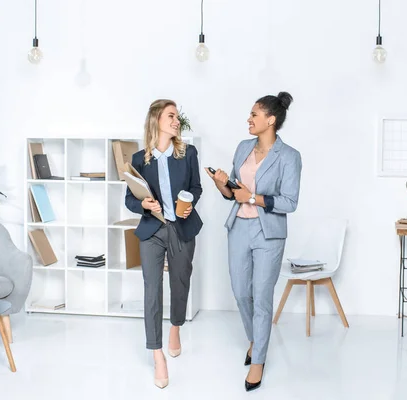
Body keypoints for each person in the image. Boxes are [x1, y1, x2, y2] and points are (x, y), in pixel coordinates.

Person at [206, 91, 302, 392]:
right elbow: (234, 194)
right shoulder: (243, 147)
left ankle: (258, 359)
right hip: (238, 228)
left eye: (254, 115)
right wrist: (223, 185)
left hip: (268, 234)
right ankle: (255, 340)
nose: (249, 119)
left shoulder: (289, 156)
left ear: (270, 120)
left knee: (261, 297)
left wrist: (253, 197)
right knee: (240, 292)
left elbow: (289, 202)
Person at [125, 99, 203, 389]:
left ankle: (175, 327)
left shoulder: (188, 153)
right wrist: (143, 204)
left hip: (182, 228)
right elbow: (129, 199)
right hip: (152, 231)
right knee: (152, 291)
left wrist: (189, 203)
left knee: (181, 281)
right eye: (171, 116)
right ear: (156, 119)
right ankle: (157, 354)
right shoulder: (138, 160)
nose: (176, 121)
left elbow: (196, 187)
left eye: (177, 117)